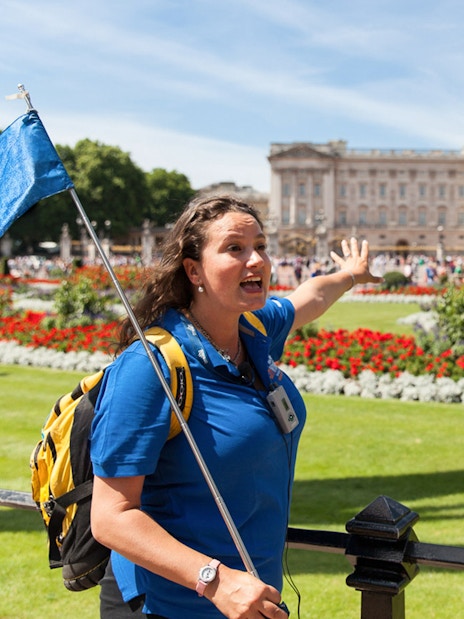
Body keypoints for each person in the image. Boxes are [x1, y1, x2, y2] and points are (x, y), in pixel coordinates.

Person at [90, 195, 382, 619]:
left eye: (261, 246)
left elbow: (309, 297)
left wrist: (350, 275)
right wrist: (216, 580)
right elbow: (112, 516)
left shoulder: (253, 326)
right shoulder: (150, 367)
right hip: (173, 605)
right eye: (235, 249)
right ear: (194, 271)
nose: (257, 260)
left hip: (250, 599)